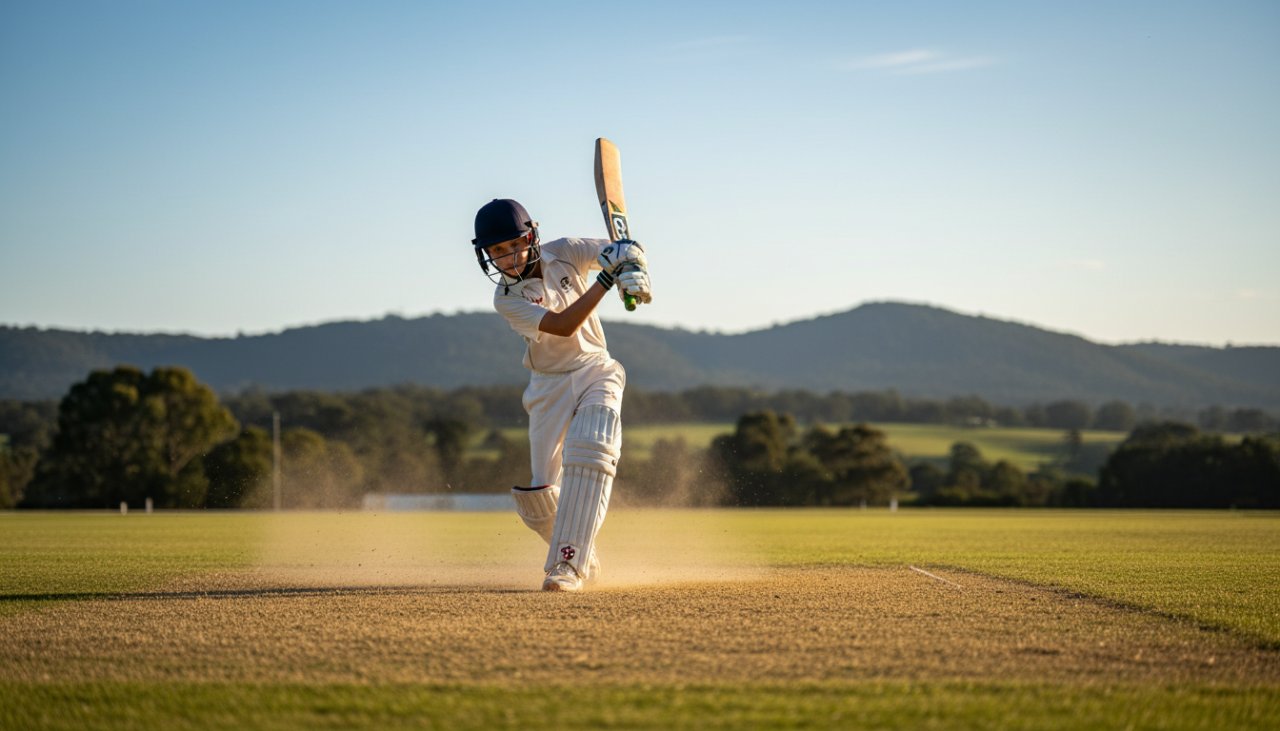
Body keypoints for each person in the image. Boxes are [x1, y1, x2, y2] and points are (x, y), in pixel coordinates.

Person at [471, 198, 651, 591]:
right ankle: (583, 550)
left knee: (590, 448)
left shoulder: (565, 251)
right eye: (497, 252)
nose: (508, 258)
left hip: (595, 369)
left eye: (514, 244)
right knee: (539, 501)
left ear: (532, 235)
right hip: (547, 385)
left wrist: (633, 265)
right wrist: (609, 279)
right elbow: (564, 325)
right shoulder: (507, 299)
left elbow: (618, 250)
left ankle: (567, 565)